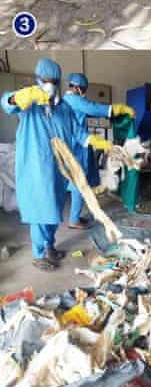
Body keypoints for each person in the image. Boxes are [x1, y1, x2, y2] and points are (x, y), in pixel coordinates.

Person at [1, 57, 112, 270]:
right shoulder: (29, 105)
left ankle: (50, 245)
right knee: (40, 212)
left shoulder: (63, 109)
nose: (49, 84)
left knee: (54, 210)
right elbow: (6, 103)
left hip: (58, 169)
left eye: (53, 80)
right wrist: (18, 97)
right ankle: (39, 254)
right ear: (37, 80)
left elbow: (77, 131)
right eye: (45, 80)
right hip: (35, 169)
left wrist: (94, 140)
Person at [61, 72, 134, 229]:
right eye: (84, 89)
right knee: (79, 183)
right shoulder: (73, 100)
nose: (84, 92)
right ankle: (74, 220)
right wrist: (117, 109)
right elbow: (93, 108)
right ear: (79, 88)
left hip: (78, 144)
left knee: (79, 183)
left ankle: (74, 217)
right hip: (77, 146)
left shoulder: (67, 100)